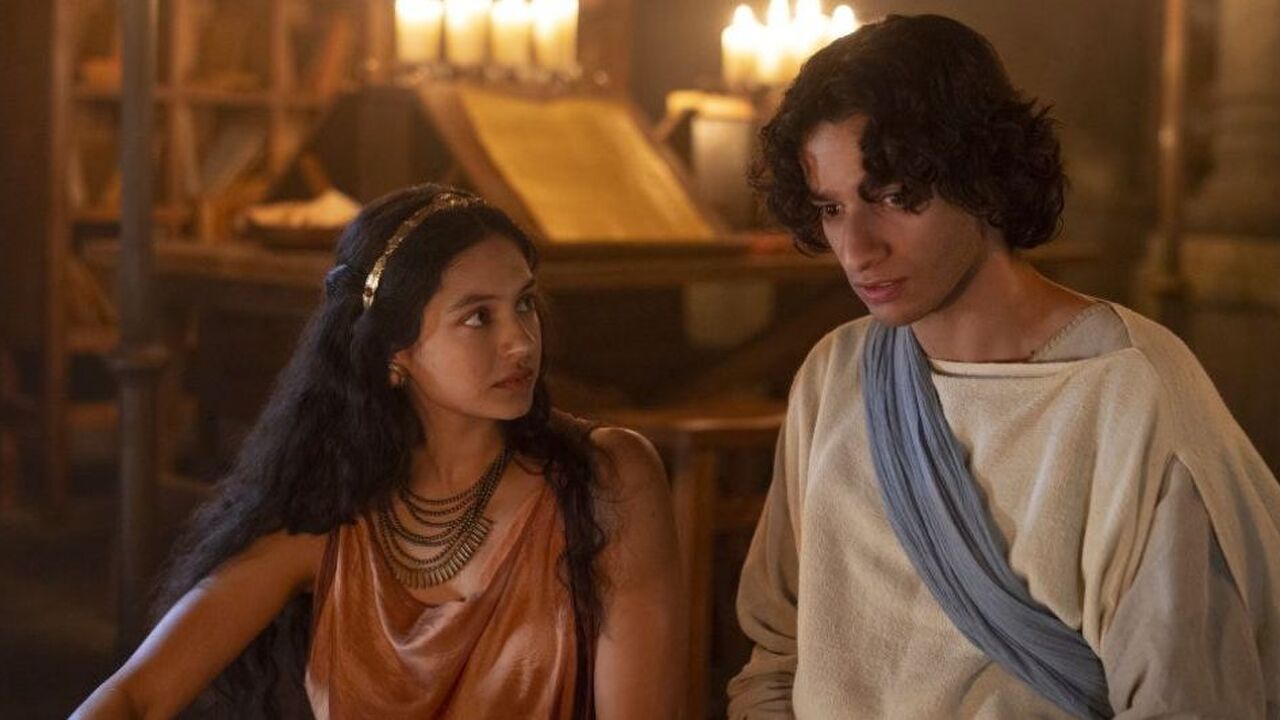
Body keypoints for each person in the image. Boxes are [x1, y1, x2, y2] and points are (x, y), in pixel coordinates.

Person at [728, 14, 1280, 719]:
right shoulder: (835, 374)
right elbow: (776, 657)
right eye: (832, 208)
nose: (857, 249)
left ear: (981, 178)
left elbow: (1185, 702)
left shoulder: (1129, 394)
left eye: (894, 197)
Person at [72, 184, 686, 719]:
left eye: (524, 303)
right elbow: (135, 697)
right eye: (479, 318)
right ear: (394, 354)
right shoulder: (327, 516)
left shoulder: (605, 479)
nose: (522, 342)